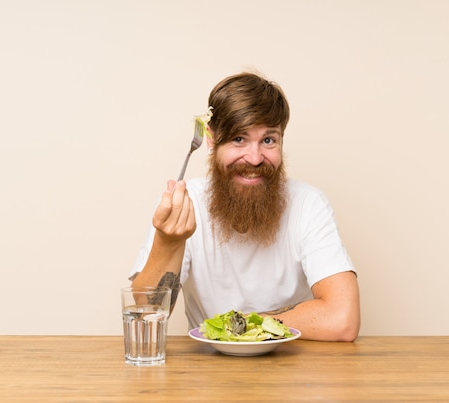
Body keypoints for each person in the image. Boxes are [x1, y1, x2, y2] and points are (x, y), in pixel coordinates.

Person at [130, 72, 360, 341]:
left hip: (292, 370)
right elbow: (147, 315)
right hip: (209, 372)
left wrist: (240, 325)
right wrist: (168, 241)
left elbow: (342, 319)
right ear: (212, 140)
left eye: (268, 140)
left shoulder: (308, 204)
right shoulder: (185, 204)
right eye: (239, 139)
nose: (254, 158)